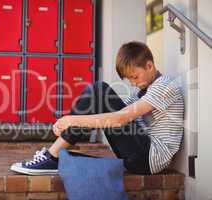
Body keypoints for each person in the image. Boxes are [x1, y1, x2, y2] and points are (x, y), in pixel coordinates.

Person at [10, 41, 184, 175]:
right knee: (98, 97)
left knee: (99, 90)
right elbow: (110, 113)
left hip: (149, 158)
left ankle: (52, 155)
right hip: (137, 156)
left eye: (135, 77)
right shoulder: (143, 90)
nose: (133, 83)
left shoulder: (165, 85)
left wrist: (70, 121)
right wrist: (71, 123)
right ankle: (55, 157)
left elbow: (119, 119)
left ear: (149, 65)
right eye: (129, 79)